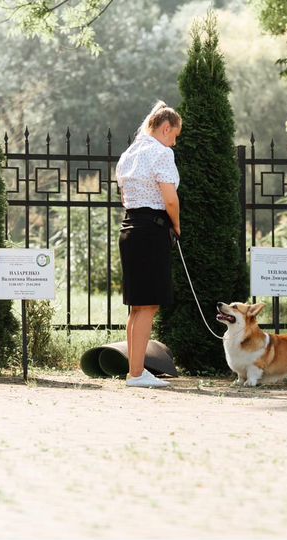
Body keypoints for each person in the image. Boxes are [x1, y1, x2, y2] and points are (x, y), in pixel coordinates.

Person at [116, 100, 182, 388]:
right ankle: (136, 374)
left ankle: (136, 371)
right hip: (151, 230)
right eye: (175, 135)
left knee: (137, 306)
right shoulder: (161, 153)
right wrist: (177, 225)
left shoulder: (130, 154)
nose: (175, 142)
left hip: (130, 228)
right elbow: (169, 198)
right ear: (165, 128)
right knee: (149, 305)